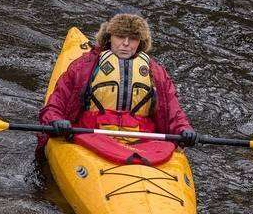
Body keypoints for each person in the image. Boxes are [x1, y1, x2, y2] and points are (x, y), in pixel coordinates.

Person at [38, 12, 196, 164]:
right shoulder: (83, 67)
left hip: (144, 144)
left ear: (141, 41)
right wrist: (56, 121)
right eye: (120, 36)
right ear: (109, 37)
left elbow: (173, 111)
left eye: (133, 38)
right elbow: (55, 105)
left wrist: (184, 129)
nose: (126, 43)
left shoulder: (156, 73)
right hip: (89, 138)